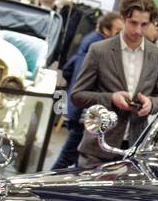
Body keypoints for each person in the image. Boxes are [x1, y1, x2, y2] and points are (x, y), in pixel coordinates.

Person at [70, 0, 158, 168]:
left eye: (144, 24)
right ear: (123, 19)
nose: (138, 30)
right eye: (133, 23)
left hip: (134, 150)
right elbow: (77, 96)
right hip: (98, 147)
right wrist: (111, 98)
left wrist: (151, 104)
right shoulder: (99, 50)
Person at [50, 11, 121, 170]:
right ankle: (42, 188)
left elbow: (68, 69)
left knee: (72, 157)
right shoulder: (99, 48)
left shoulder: (88, 41)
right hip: (84, 113)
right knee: (67, 158)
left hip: (77, 109)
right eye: (117, 31)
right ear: (106, 30)